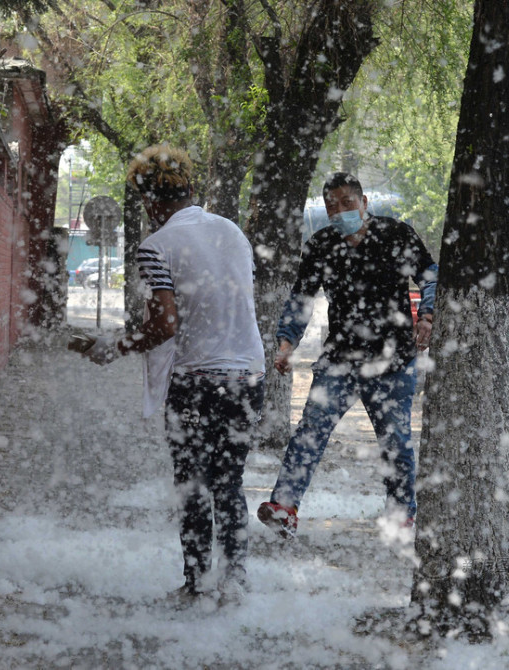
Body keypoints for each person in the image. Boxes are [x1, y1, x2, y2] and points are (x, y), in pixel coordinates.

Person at [81, 145, 266, 607]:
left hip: (198, 382)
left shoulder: (156, 245)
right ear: (190, 189)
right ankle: (234, 582)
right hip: (248, 377)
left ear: (149, 203)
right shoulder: (232, 231)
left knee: (193, 484)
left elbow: (165, 325)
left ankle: (195, 585)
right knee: (229, 481)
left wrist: (116, 347)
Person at [257, 172, 438, 539]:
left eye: (346, 203)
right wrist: (286, 342)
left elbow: (431, 276)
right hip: (340, 359)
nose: (340, 211)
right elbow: (301, 298)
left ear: (363, 202)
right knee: (309, 432)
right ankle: (284, 507)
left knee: (396, 442)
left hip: (393, 360)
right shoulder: (322, 244)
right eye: (332, 206)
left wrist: (429, 316)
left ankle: (401, 515)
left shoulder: (396, 235)